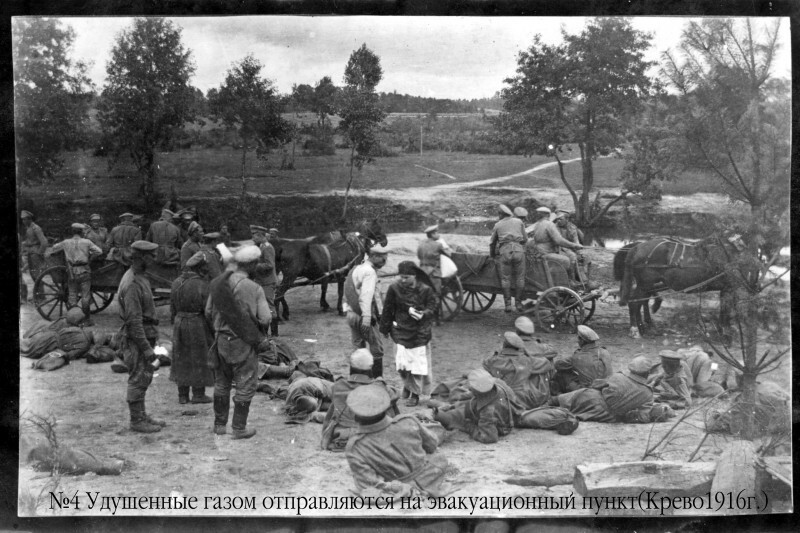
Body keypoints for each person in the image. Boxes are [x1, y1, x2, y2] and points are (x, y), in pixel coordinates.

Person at [206, 245, 271, 439]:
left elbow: (208, 311)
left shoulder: (218, 284)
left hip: (220, 341)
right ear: (251, 265)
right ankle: (239, 428)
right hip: (243, 343)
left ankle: (219, 425)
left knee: (221, 383)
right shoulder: (254, 288)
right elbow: (266, 318)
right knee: (245, 383)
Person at [345, 384, 450, 497]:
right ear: (386, 408)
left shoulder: (355, 446)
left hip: (396, 486)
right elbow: (432, 445)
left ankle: (411, 490)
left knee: (361, 485)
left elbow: (369, 483)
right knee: (438, 456)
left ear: (355, 414)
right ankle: (424, 488)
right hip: (428, 475)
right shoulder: (408, 421)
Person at [117, 240, 164, 433]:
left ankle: (142, 415)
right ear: (142, 257)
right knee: (137, 377)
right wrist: (145, 347)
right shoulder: (133, 283)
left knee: (145, 376)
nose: (154, 259)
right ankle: (136, 420)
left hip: (146, 333)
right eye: (151, 256)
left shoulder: (140, 277)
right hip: (138, 337)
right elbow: (134, 321)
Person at [379, 261, 438, 406]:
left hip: (420, 332)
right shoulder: (394, 288)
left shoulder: (426, 290)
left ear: (414, 276)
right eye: (401, 277)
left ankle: (415, 394)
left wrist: (423, 314)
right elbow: (388, 308)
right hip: (400, 330)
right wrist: (385, 328)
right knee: (403, 364)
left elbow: (433, 308)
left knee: (417, 365)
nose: (403, 280)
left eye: (407, 277)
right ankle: (407, 384)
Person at [551, 356, 675, 424]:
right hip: (605, 414)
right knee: (563, 413)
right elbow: (642, 415)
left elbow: (597, 384)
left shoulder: (618, 376)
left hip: (590, 396)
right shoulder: (647, 394)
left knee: (557, 400)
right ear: (647, 372)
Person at [321, 349, 400, 452]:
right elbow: (397, 394)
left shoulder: (338, 385)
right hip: (370, 437)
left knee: (335, 405)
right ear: (370, 369)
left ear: (351, 367)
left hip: (342, 436)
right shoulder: (378, 386)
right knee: (388, 404)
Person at [169, 252, 215, 405]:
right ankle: (198, 394)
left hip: (179, 322)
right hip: (196, 323)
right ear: (200, 268)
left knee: (181, 358)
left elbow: (172, 308)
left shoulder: (176, 282)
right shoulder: (202, 284)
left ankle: (182, 395)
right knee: (199, 357)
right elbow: (208, 311)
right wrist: (213, 329)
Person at [433, 368, 523, 444]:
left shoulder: (487, 411)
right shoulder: (498, 384)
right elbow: (481, 395)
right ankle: (439, 406)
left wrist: (467, 426)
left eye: (472, 387)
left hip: (501, 423)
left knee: (451, 417)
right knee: (458, 403)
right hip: (504, 409)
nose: (470, 388)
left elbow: (489, 438)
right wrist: (460, 399)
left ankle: (436, 413)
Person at [343, 244, 390, 378]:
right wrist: (367, 318)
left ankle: (355, 381)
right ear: (374, 256)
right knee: (377, 351)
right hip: (364, 316)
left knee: (358, 350)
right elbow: (366, 296)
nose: (384, 263)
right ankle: (377, 382)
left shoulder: (356, 268)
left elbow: (348, 293)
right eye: (383, 260)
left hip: (351, 314)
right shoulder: (369, 272)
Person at [482, 332, 554, 410]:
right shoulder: (527, 361)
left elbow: (485, 364)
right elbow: (547, 363)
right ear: (518, 348)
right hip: (523, 400)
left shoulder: (492, 361)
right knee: (542, 371)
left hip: (500, 398)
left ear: (504, 345)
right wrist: (528, 354)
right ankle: (544, 395)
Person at [50, 223, 103, 324]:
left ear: (72, 232)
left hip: (72, 272)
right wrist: (90, 259)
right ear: (82, 232)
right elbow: (99, 251)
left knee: (72, 295)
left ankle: (74, 319)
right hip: (84, 270)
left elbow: (54, 247)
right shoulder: (87, 242)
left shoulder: (66, 242)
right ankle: (86, 320)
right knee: (85, 296)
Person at [552, 325, 612, 394]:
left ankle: (558, 397)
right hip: (604, 388)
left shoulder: (578, 356)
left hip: (587, 391)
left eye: (578, 338)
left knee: (560, 373)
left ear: (582, 341)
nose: (577, 341)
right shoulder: (605, 352)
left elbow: (557, 365)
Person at [527, 206, 582, 281]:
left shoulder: (537, 224)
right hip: (546, 252)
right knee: (567, 260)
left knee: (571, 256)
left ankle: (570, 279)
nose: (558, 220)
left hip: (539, 252)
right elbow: (559, 240)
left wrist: (575, 245)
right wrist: (574, 245)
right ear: (548, 215)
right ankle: (568, 281)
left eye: (560, 219)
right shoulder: (549, 224)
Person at [490, 204, 528, 312]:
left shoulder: (498, 225)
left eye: (499, 214)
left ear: (501, 214)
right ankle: (518, 303)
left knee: (505, 278)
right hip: (519, 251)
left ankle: (507, 305)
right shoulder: (519, 222)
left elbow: (492, 243)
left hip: (505, 252)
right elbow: (525, 239)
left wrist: (492, 255)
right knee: (520, 278)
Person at [250, 225, 279, 337]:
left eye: (254, 236)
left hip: (267, 282)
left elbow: (270, 265)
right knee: (264, 307)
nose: (253, 239)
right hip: (262, 281)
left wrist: (255, 265)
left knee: (270, 307)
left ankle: (275, 334)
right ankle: (266, 333)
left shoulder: (267, 247)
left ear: (261, 236)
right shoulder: (261, 245)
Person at [417, 225, 452, 295]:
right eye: (437, 233)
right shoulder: (438, 245)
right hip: (434, 273)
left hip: (422, 272)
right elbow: (449, 255)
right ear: (432, 234)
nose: (439, 235)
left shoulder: (420, 245)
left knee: (423, 294)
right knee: (436, 294)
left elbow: (419, 256)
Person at [21, 210, 48, 281]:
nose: (23, 221)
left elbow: (44, 242)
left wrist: (39, 253)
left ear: (29, 219)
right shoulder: (29, 228)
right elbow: (30, 241)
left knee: (37, 277)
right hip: (31, 254)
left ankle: (39, 291)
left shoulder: (36, 228)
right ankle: (38, 291)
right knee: (34, 276)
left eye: (24, 219)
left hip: (35, 254)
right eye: (22, 220)